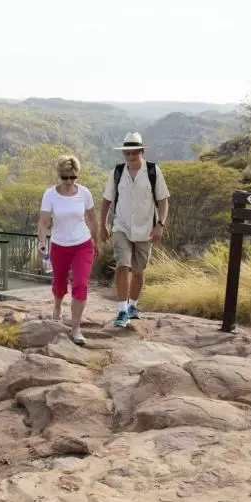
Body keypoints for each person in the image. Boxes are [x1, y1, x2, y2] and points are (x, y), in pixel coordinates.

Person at [100, 132, 169, 327]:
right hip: (121, 226)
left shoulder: (154, 172)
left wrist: (160, 224)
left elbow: (163, 201)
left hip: (145, 229)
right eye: (127, 154)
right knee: (123, 265)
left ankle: (132, 306)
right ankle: (122, 310)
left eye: (134, 154)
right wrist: (102, 225)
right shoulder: (117, 172)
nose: (130, 158)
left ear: (141, 152)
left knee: (139, 270)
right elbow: (107, 200)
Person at [37, 155, 98, 346]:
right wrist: (41, 243)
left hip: (82, 244)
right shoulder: (50, 194)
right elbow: (43, 222)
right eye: (65, 177)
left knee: (80, 284)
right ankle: (57, 307)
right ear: (59, 175)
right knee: (60, 284)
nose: (70, 181)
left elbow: (92, 219)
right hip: (60, 246)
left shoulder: (84, 193)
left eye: (73, 177)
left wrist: (97, 242)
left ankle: (76, 328)